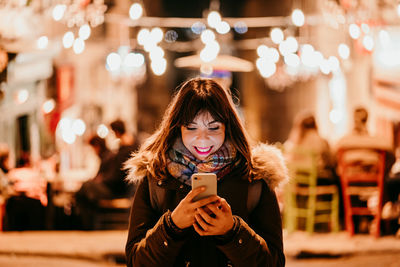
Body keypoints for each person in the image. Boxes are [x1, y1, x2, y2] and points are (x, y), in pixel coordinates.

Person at [124, 78, 287, 266]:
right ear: (178, 128)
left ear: (227, 127)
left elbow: (274, 262)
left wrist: (232, 231)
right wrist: (171, 226)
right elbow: (136, 261)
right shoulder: (156, 176)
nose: (202, 139)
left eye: (214, 127)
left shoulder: (255, 177)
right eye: (191, 127)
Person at [75, 135, 116, 229]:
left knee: (85, 189)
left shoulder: (109, 156)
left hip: (109, 190)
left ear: (97, 146)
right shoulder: (105, 156)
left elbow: (111, 177)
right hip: (104, 187)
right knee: (86, 191)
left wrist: (100, 179)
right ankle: (87, 224)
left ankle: (85, 224)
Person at [284, 111, 335, 184]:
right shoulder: (321, 141)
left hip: (299, 181)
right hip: (317, 180)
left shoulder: (296, 143)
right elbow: (331, 161)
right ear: (315, 124)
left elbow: (288, 161)